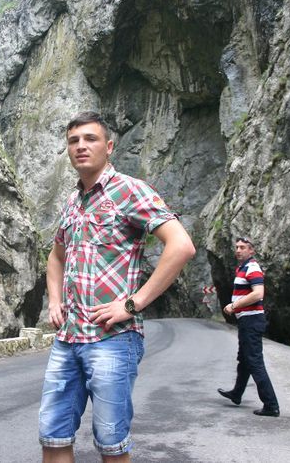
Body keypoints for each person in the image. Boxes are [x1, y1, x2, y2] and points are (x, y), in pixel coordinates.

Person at [38, 111, 196, 462]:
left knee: (111, 443)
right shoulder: (72, 202)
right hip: (68, 340)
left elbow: (181, 245)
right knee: (53, 437)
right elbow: (56, 256)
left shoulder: (130, 190)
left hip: (113, 339)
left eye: (90, 139)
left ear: (109, 146)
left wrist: (132, 304)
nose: (81, 146)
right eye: (73, 141)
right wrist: (54, 301)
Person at [217, 237, 280, 417]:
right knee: (244, 359)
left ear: (251, 250)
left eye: (243, 247)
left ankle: (271, 405)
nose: (238, 250)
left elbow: (258, 294)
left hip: (252, 320)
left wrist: (234, 305)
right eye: (236, 247)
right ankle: (237, 393)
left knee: (254, 362)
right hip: (246, 320)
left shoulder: (252, 268)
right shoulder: (242, 268)